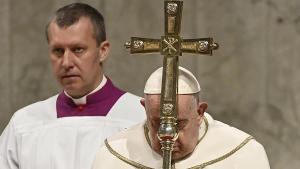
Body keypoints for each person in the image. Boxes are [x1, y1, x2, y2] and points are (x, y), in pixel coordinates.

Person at [0, 3, 145, 169]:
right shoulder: (24, 124)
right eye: (58, 51)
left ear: (103, 51)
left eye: (78, 49)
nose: (66, 62)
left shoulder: (141, 118)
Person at [92, 67, 270, 169]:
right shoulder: (113, 155)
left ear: (199, 112)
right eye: (157, 123)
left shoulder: (243, 153)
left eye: (178, 124)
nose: (167, 135)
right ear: (144, 108)